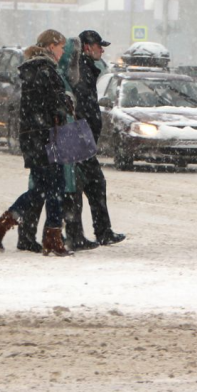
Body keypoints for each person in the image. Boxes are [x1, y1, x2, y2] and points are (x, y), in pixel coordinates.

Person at [0, 29, 74, 257]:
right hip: (45, 137)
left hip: (35, 137)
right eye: (61, 47)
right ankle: (51, 237)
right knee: (55, 187)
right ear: (51, 46)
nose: (63, 52)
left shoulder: (35, 68)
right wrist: (65, 103)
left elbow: (37, 104)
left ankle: (4, 223)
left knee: (42, 189)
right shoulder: (45, 70)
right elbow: (51, 105)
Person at [63, 29, 126, 249]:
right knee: (80, 185)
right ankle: (78, 234)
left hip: (81, 135)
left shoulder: (87, 68)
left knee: (90, 184)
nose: (102, 50)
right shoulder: (80, 69)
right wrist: (85, 129)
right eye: (99, 46)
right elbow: (81, 104)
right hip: (78, 135)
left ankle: (95, 232)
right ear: (88, 47)